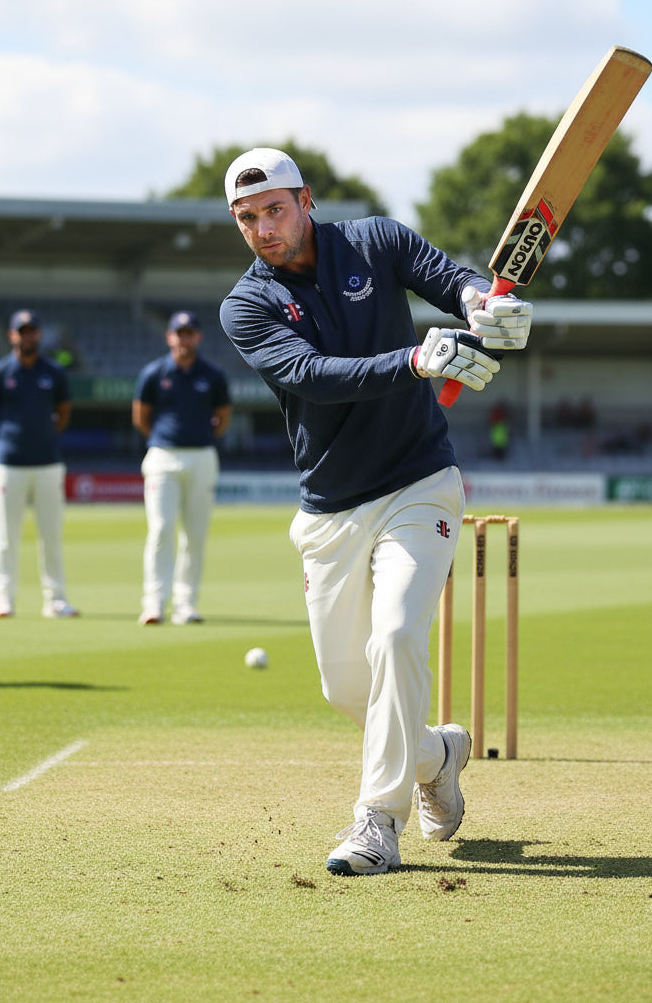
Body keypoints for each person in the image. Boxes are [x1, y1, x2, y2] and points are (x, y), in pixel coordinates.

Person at [219, 148, 532, 876]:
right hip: (329, 509)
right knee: (346, 689)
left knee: (394, 637)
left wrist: (483, 303)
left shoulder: (374, 241)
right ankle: (440, 754)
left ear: (307, 200)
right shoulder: (246, 304)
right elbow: (309, 377)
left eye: (274, 209)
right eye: (246, 218)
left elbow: (448, 278)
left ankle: (376, 821)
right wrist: (415, 362)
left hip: (419, 483)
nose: (263, 228)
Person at [0, 308, 79, 619]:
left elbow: (63, 413)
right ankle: (3, 600)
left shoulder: (54, 372)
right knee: (6, 537)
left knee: (51, 536)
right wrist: (9, 440)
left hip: (48, 463)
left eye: (32, 330)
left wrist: (42, 438)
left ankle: (56, 601)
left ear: (39, 334)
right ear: (12, 335)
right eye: (22, 331)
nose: (28, 335)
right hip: (10, 464)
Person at [132, 311, 233, 625]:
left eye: (189, 333)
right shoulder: (154, 373)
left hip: (202, 456)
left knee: (195, 535)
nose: (184, 338)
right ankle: (154, 603)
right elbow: (141, 417)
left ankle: (186, 604)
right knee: (161, 531)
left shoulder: (213, 374)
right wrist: (166, 439)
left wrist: (201, 439)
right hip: (163, 456)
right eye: (179, 333)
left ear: (197, 337)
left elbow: (223, 417)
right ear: (169, 337)